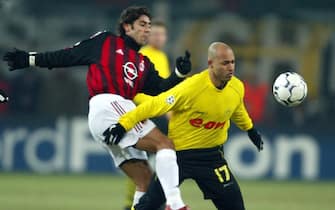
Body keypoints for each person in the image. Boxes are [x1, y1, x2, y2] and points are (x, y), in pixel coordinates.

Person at [3, 6, 191, 210]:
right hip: (111, 105)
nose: (147, 30)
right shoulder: (106, 42)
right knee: (165, 145)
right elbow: (69, 55)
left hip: (110, 112)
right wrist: (30, 59)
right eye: (142, 25)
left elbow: (159, 89)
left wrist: (178, 73)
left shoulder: (143, 62)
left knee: (144, 178)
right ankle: (175, 203)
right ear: (127, 27)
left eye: (149, 26)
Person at [106, 42, 264, 210]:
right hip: (180, 155)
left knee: (235, 207)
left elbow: (237, 110)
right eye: (225, 63)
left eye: (232, 62)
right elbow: (155, 105)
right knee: (149, 205)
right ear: (210, 64)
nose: (231, 67)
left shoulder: (237, 87)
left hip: (211, 158)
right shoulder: (191, 88)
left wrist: (250, 130)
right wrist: (123, 124)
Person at [124, 19, 171, 210]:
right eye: (155, 34)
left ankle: (156, 201)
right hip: (146, 114)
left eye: (162, 34)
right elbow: (136, 90)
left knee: (160, 160)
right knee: (142, 163)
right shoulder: (141, 55)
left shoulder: (162, 56)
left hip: (160, 114)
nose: (159, 37)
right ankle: (132, 203)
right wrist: (159, 108)